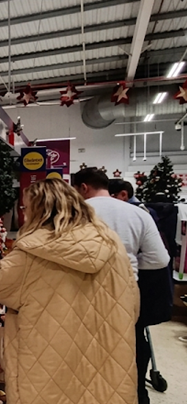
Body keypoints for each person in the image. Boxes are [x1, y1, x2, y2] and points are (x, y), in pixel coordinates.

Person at [0, 178, 138, 404]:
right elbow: (132, 302)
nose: (24, 213)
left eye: (26, 207)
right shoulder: (110, 242)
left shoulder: (33, 249)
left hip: (49, 357)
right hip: (107, 354)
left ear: (40, 209)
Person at [73, 168, 171, 404]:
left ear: (83, 188)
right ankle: (135, 394)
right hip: (125, 295)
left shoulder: (73, 213)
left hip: (80, 292)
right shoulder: (138, 214)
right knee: (130, 348)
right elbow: (160, 259)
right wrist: (130, 268)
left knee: (82, 354)